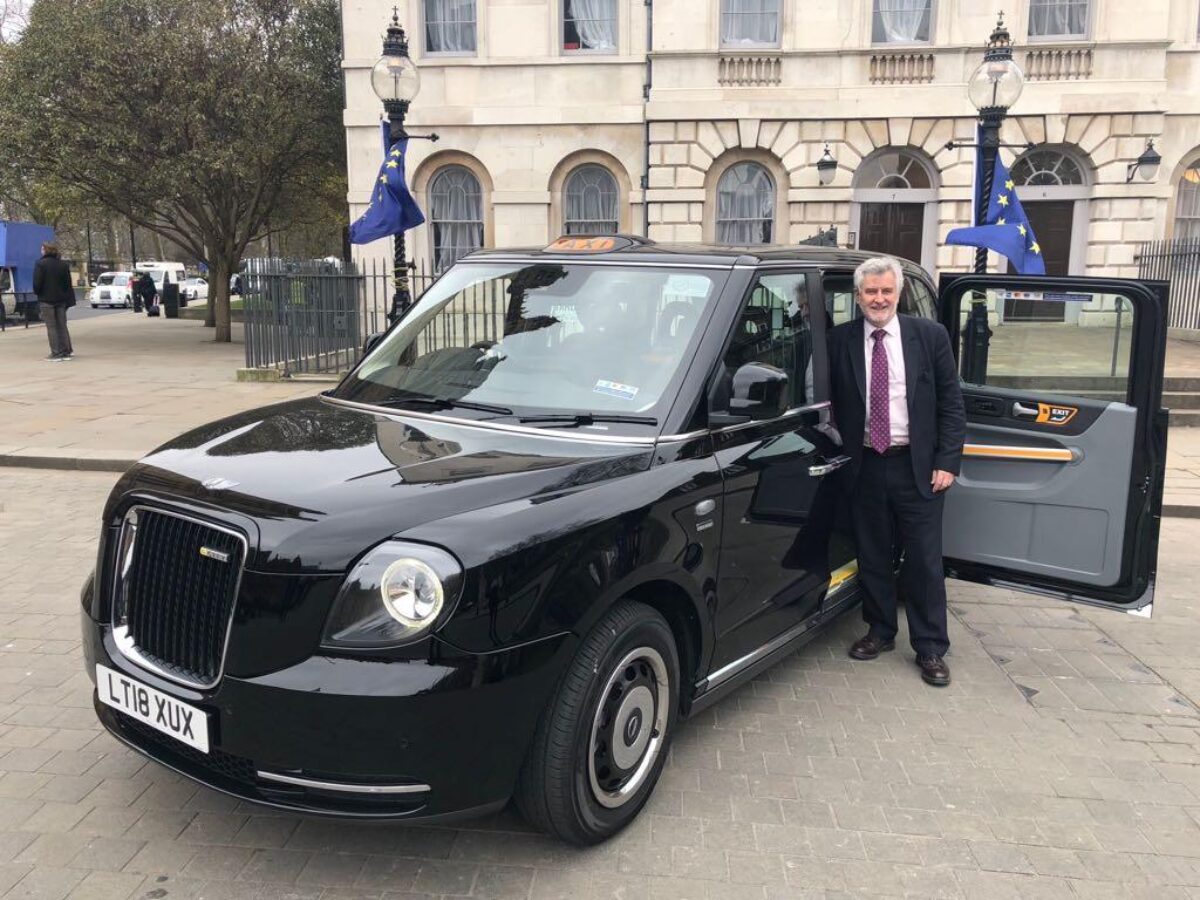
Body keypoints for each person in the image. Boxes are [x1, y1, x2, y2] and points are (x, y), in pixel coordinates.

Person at [827, 256, 965, 686]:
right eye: (871, 292)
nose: (879, 299)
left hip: (918, 467)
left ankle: (930, 648)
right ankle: (880, 630)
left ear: (898, 293)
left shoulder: (930, 336)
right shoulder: (840, 340)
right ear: (858, 296)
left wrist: (947, 461)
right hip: (865, 463)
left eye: (886, 291)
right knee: (873, 553)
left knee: (923, 561)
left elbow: (951, 403)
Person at [32, 242, 75, 361]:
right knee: (62, 325)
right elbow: (67, 283)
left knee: (51, 326)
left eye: (42, 248)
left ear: (46, 250)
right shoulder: (63, 265)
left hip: (46, 299)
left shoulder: (40, 264)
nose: (41, 250)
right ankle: (66, 351)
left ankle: (56, 353)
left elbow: (37, 283)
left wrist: (38, 292)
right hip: (61, 299)